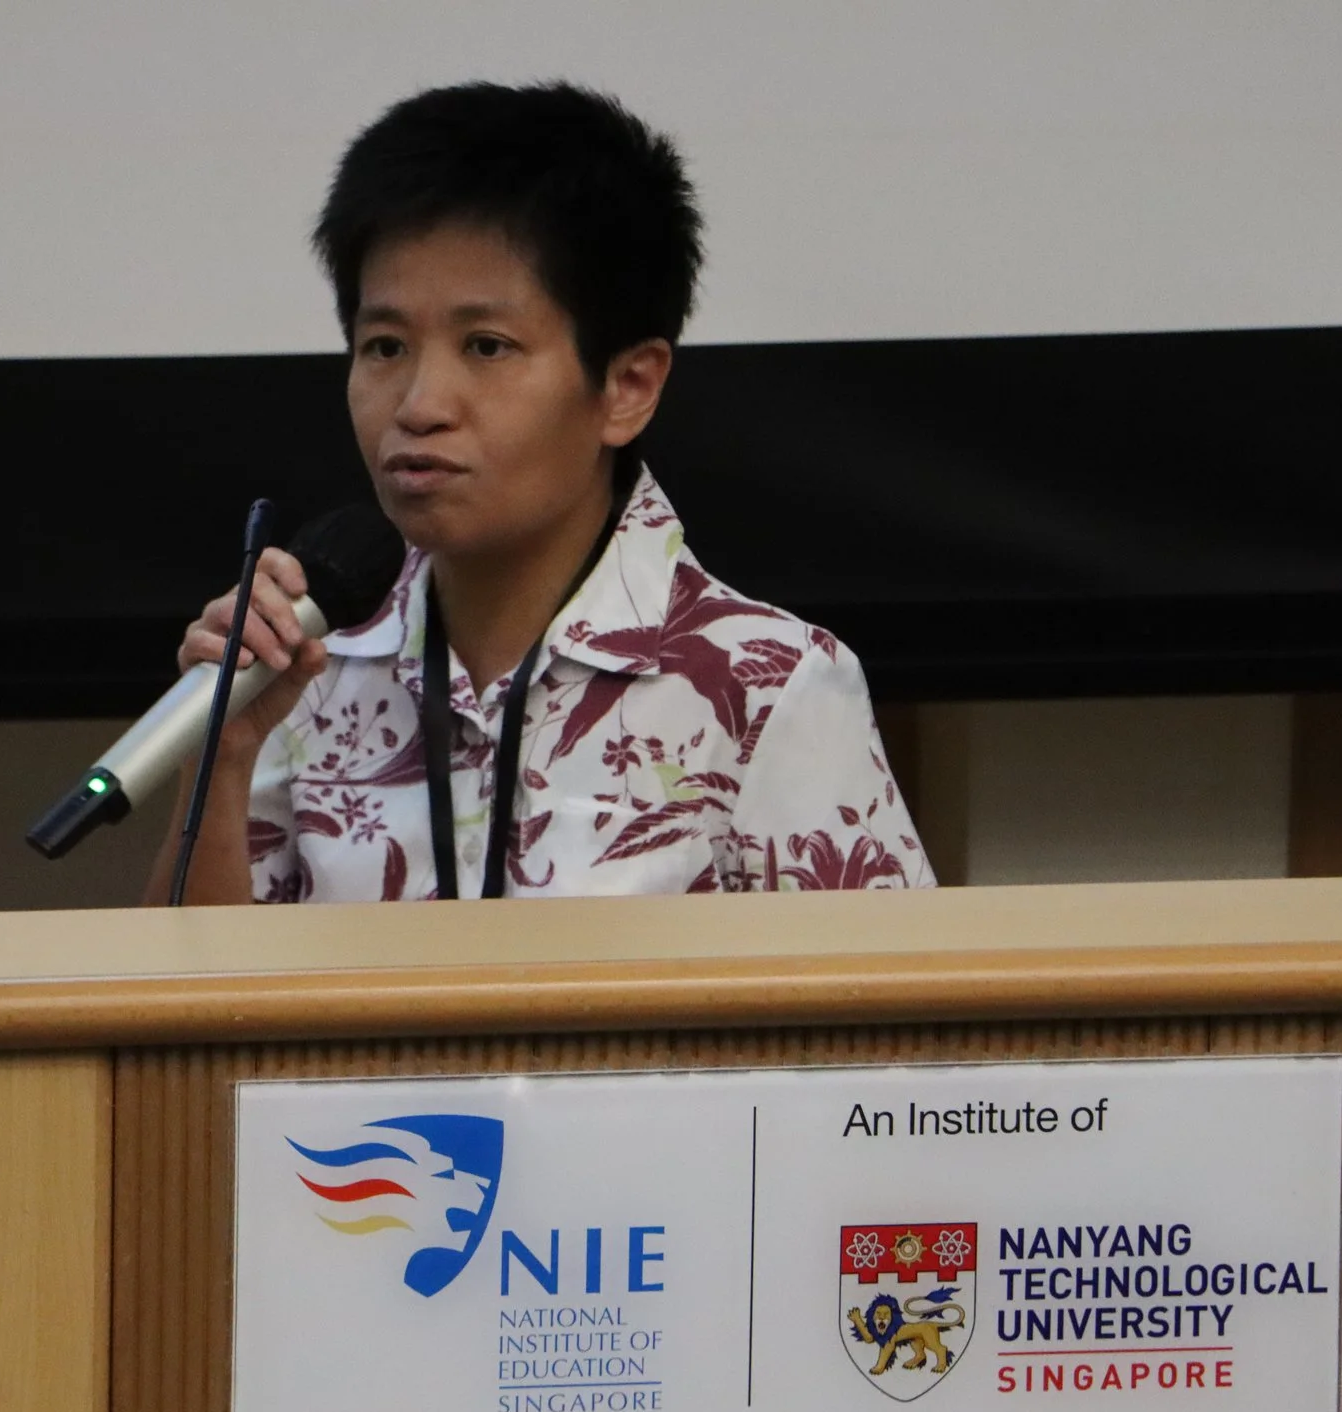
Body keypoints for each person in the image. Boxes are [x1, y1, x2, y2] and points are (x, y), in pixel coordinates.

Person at [148, 81, 932, 905]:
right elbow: (193, 1017)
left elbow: (880, 1024)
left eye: (486, 346)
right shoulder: (307, 671)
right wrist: (225, 758)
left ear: (628, 385)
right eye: (383, 346)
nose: (419, 405)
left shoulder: (764, 686)